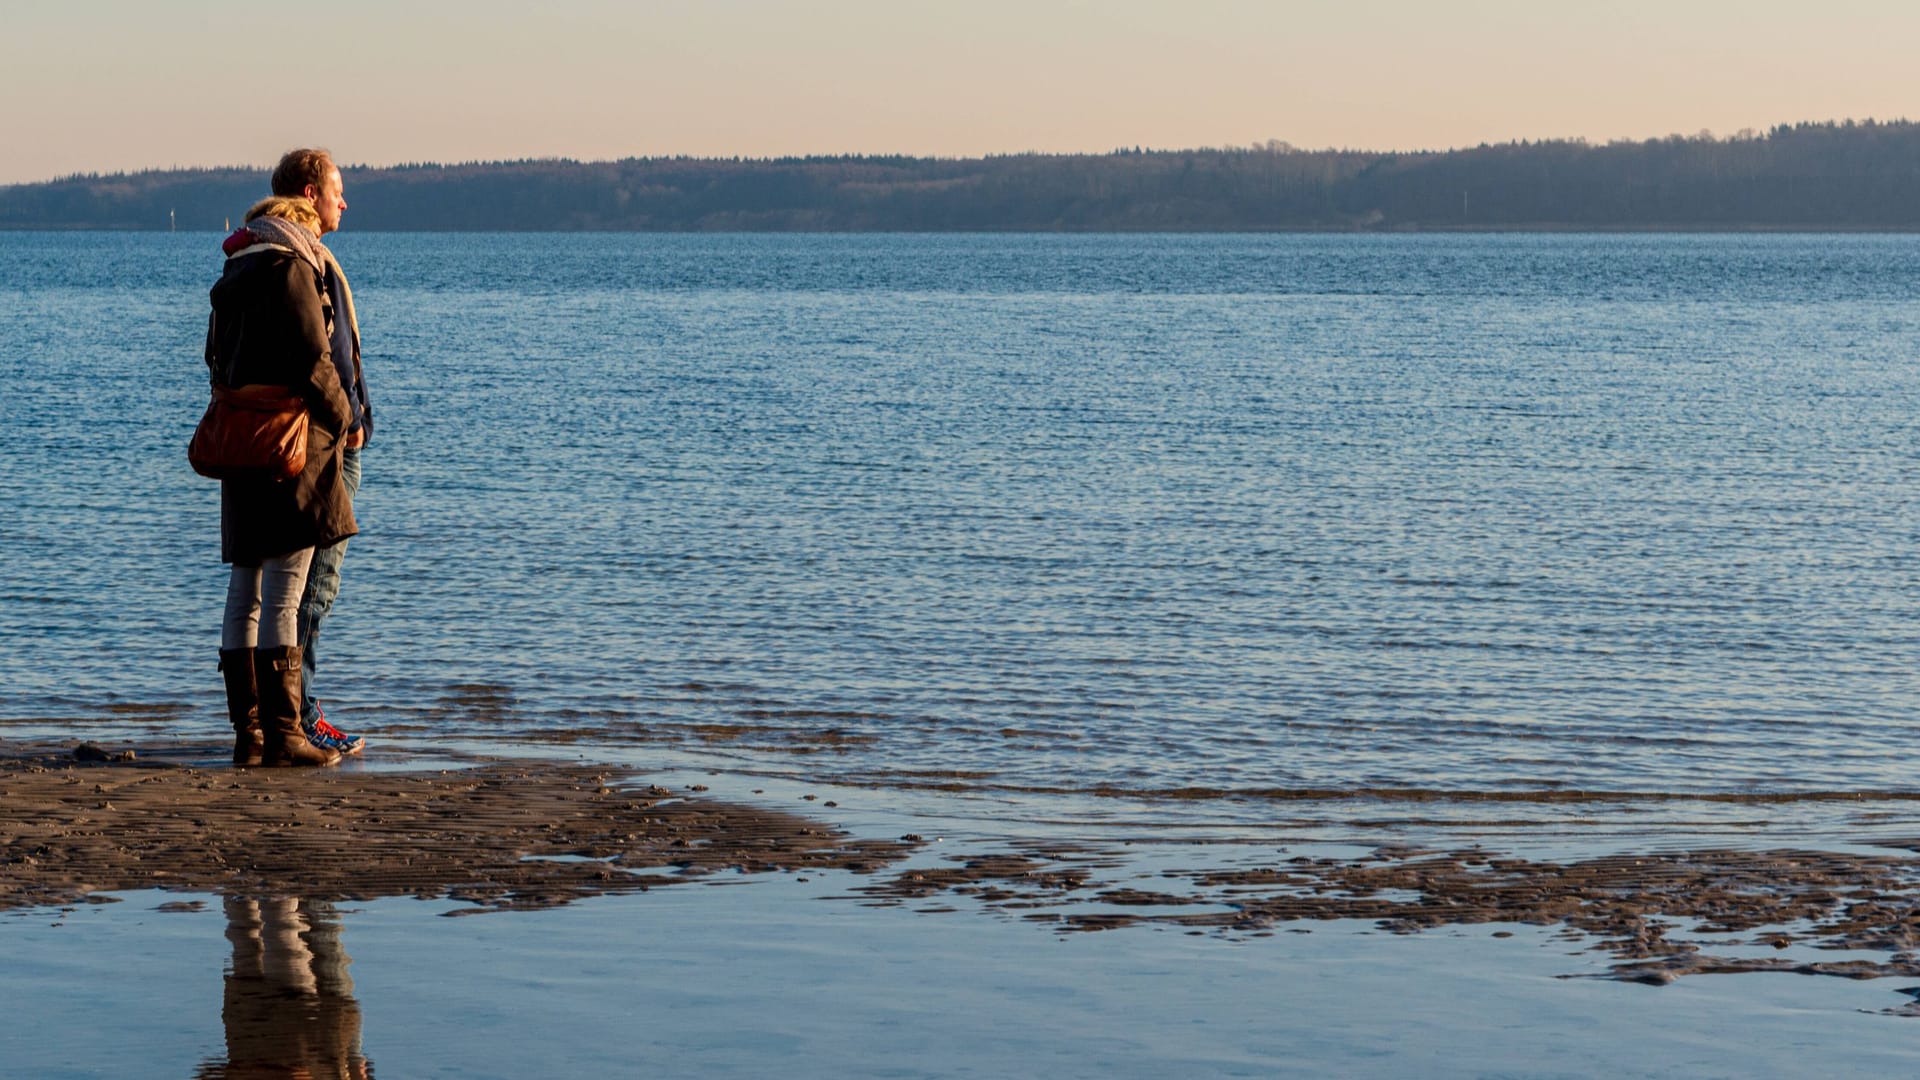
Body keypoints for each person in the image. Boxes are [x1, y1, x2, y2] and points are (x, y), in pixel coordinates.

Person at [209, 194, 356, 767]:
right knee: (285, 591)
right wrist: (343, 416)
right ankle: (285, 732)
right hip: (292, 447)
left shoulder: (234, 271)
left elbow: (213, 359)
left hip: (241, 443)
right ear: (296, 227)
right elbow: (314, 359)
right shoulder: (292, 269)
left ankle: (249, 736)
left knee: (244, 589)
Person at [271, 148, 372, 756]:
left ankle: (291, 712)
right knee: (315, 584)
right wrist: (350, 421)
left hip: (326, 437)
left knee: (299, 583)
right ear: (311, 193)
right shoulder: (303, 261)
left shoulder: (306, 257)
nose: (344, 201)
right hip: (325, 444)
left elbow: (341, 352)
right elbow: (321, 358)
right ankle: (302, 714)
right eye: (337, 190)